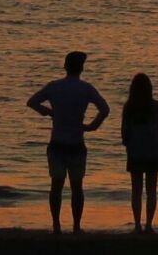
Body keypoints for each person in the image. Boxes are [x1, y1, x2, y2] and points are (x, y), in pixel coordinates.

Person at [27, 51, 110, 234]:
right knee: (77, 187)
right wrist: (92, 126)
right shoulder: (86, 88)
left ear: (65, 66)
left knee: (56, 185)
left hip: (57, 141)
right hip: (76, 142)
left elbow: (32, 102)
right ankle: (76, 226)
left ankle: (56, 225)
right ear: (81, 68)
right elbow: (104, 109)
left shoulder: (54, 87)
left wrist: (48, 112)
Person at [121, 73, 158, 233]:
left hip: (135, 152)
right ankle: (149, 225)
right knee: (151, 191)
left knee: (136, 190)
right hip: (153, 152)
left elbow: (124, 134)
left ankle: (137, 225)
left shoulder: (129, 107)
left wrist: (130, 145)